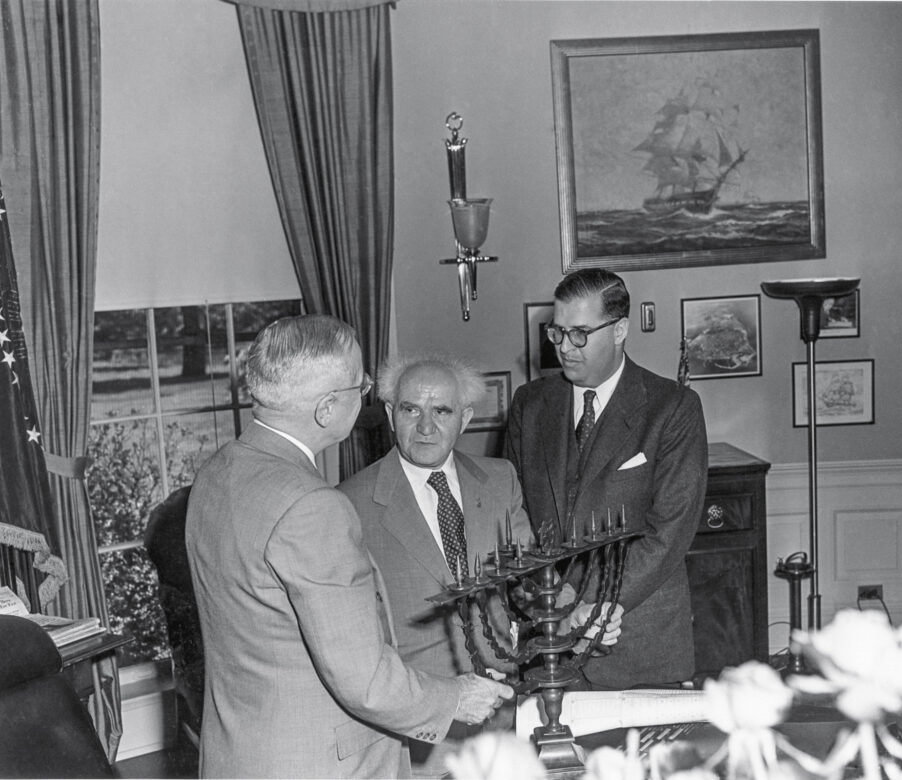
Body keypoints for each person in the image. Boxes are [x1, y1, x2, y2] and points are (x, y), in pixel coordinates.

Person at [185, 316, 512, 779]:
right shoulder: (315, 506)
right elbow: (366, 681)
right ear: (327, 409)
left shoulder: (217, 472)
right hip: (319, 763)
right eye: (360, 387)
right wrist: (455, 696)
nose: (367, 399)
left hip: (241, 755)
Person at [339, 351, 621, 776]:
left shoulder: (499, 478)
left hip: (500, 714)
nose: (427, 426)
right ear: (390, 413)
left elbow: (530, 577)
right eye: (411, 409)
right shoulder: (349, 502)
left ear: (465, 418)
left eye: (442, 410)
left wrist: (573, 614)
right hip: (417, 732)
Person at [505, 268, 708, 691]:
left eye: (580, 333)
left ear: (619, 330)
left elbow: (668, 533)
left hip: (638, 646)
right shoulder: (530, 405)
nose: (564, 348)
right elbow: (513, 514)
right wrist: (558, 607)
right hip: (548, 642)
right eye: (557, 332)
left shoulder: (673, 408)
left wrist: (587, 606)